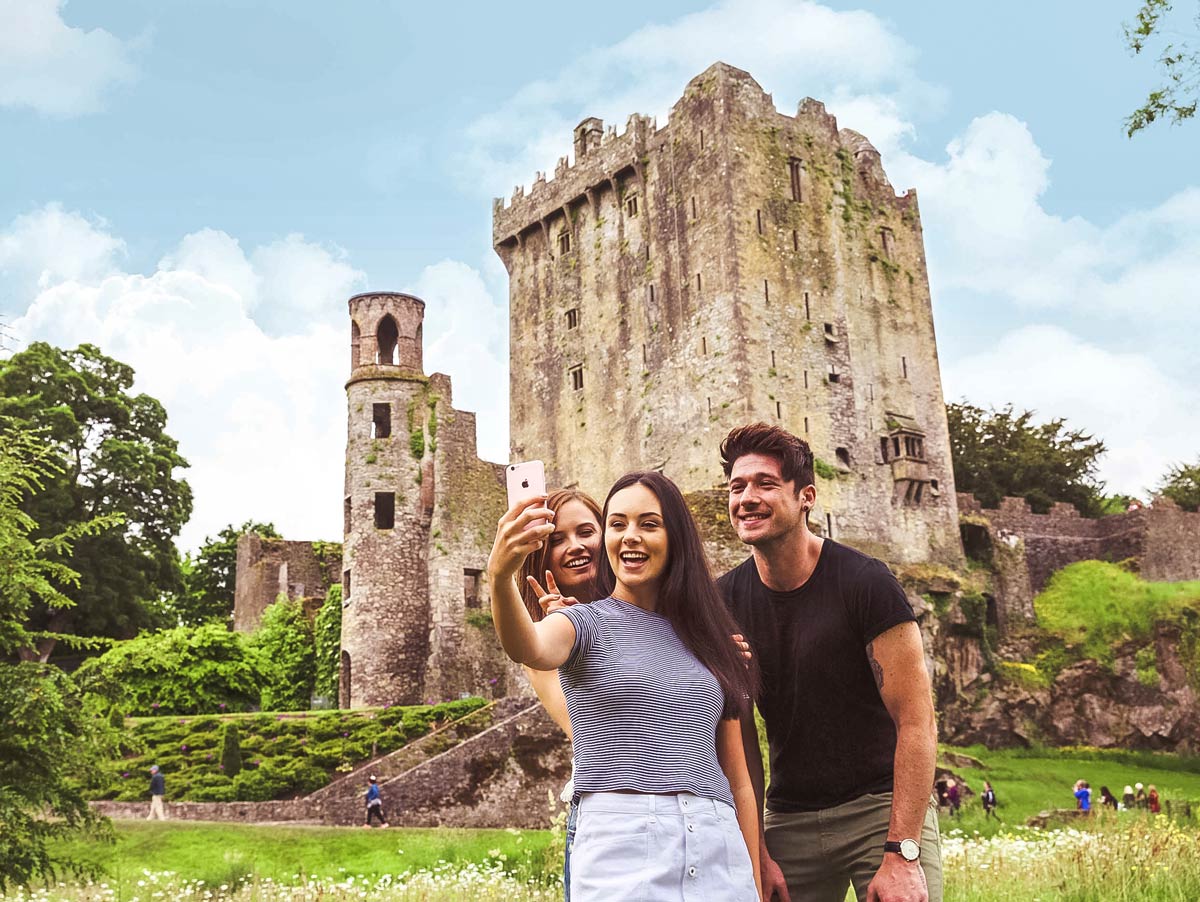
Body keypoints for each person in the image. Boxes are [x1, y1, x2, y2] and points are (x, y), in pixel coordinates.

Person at [488, 471, 762, 901]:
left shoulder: (709, 638)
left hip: (717, 841)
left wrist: (755, 883)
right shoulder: (581, 623)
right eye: (619, 524)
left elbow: (739, 780)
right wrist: (500, 576)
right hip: (625, 836)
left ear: (677, 538)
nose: (630, 536)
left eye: (648, 524)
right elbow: (529, 646)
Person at [717, 423, 942, 902]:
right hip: (790, 817)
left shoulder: (866, 584)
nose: (747, 498)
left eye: (765, 484)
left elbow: (916, 721)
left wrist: (901, 852)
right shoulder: (725, 601)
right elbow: (735, 741)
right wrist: (757, 848)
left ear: (806, 497)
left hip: (881, 809)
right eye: (737, 487)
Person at [516, 488, 605, 901]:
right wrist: (574, 632)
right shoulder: (541, 644)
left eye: (586, 531)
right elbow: (586, 728)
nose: (575, 546)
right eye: (556, 540)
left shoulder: (655, 610)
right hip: (604, 818)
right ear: (541, 556)